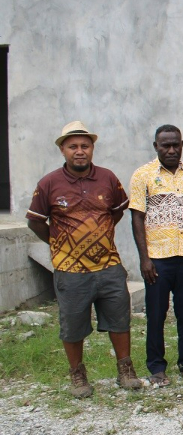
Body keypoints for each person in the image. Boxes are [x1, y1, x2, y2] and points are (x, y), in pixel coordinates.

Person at [26, 121, 143, 397]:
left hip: (109, 266)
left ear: (92, 149)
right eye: (73, 146)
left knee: (120, 319)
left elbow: (116, 212)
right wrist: (60, 243)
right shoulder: (49, 183)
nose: (80, 151)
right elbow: (36, 222)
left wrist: (96, 237)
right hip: (70, 269)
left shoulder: (108, 178)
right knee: (72, 324)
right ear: (62, 150)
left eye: (85, 146)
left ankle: (125, 370)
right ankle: (78, 376)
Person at [130, 124, 183, 386]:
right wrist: (144, 259)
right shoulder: (143, 175)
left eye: (176, 144)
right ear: (156, 147)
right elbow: (137, 217)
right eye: (166, 145)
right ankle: (156, 367)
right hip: (157, 260)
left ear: (182, 144)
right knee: (156, 314)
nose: (172, 149)